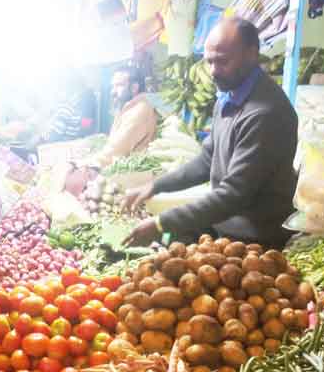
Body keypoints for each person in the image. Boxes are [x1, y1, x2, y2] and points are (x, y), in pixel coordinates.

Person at [123, 18, 298, 249]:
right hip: (225, 224)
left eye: (223, 62)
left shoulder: (266, 113)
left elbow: (234, 193)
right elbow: (207, 160)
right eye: (210, 62)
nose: (214, 71)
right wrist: (157, 186)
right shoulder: (230, 95)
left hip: (256, 240)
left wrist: (160, 223)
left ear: (251, 54)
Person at [92, 66, 158, 166]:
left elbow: (117, 149)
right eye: (112, 86)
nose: (112, 91)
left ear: (134, 87)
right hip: (120, 165)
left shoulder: (140, 110)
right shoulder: (129, 106)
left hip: (131, 173)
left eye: (119, 85)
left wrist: (90, 162)